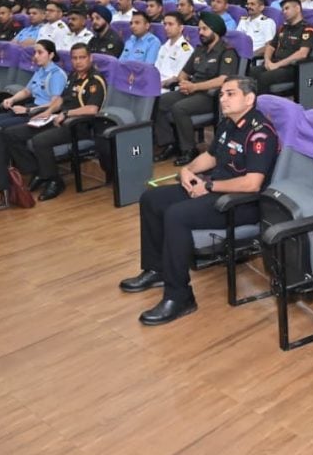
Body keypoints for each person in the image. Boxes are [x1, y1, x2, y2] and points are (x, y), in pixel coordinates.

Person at [119, 76, 279, 326]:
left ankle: (179, 296)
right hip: (215, 188)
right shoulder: (228, 123)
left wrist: (209, 185)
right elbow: (212, 156)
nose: (223, 99)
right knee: (151, 199)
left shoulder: (261, 133)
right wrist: (189, 171)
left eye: (230, 94)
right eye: (222, 94)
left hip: (242, 203)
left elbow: (252, 183)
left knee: (176, 215)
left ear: (249, 99)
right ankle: (156, 270)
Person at [2, 44, 107, 201]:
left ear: (90, 58)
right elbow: (60, 100)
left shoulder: (95, 80)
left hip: (78, 125)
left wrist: (66, 113)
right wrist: (47, 112)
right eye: (74, 58)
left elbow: (92, 109)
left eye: (82, 57)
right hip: (58, 118)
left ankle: (54, 180)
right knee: (11, 134)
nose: (78, 62)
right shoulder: (73, 76)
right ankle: (38, 171)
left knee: (40, 140)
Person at [154, 13, 239, 166]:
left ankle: (189, 150)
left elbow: (223, 80)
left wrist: (194, 87)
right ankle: (170, 144)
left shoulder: (227, 51)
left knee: (179, 108)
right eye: (199, 29)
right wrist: (184, 83)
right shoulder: (200, 50)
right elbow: (183, 73)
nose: (200, 33)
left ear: (216, 31)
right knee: (158, 101)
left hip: (211, 95)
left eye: (204, 29)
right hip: (191, 90)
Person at [0, 40, 67, 128]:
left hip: (43, 111)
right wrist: (12, 99)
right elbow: (27, 91)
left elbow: (55, 103)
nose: (35, 56)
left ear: (51, 55)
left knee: (1, 125)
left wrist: (27, 110)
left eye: (40, 52)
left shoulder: (56, 75)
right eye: (35, 52)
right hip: (33, 107)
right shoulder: (40, 70)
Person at [251, 0, 313, 94]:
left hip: (291, 68)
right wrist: (267, 61)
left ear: (297, 8)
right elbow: (270, 46)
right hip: (275, 63)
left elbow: (302, 53)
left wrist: (277, 65)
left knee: (264, 77)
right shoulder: (283, 28)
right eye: (283, 10)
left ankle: (262, 105)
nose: (284, 12)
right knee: (250, 71)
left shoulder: (307, 29)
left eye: (287, 8)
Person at [154, 12, 194, 89]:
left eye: (170, 24)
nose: (166, 28)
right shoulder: (164, 46)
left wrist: (162, 84)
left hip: (169, 87)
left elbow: (179, 77)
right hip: (156, 83)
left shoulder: (186, 49)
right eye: (165, 24)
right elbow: (156, 69)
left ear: (181, 28)